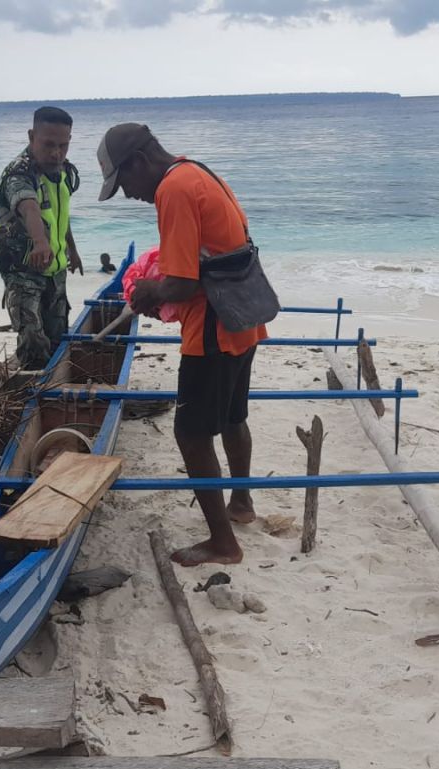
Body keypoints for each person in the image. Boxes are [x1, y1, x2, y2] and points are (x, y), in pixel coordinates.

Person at [97, 123, 266, 567]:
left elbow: (182, 281)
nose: (130, 194)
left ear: (137, 161)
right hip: (242, 317)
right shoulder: (197, 171)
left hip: (213, 327)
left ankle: (223, 544)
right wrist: (164, 285)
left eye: (124, 183)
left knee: (190, 435)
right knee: (233, 416)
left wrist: (149, 292)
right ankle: (242, 503)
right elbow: (210, 256)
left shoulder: (172, 189)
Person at [0, 106, 83, 369]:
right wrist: (40, 242)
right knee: (32, 337)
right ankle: (32, 390)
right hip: (24, 269)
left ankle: (55, 380)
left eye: (63, 146)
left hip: (55, 268)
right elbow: (29, 206)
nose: (56, 153)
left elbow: (59, 216)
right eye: (48, 145)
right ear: (32, 136)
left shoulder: (63, 172)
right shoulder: (18, 174)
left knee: (58, 332)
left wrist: (72, 250)